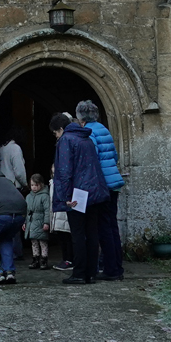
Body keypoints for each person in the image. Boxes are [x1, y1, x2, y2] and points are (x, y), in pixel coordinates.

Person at [49, 111, 109, 285]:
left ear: (61, 129)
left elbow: (64, 171)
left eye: (55, 133)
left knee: (77, 234)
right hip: (94, 192)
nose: (56, 136)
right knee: (91, 233)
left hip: (77, 194)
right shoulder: (86, 138)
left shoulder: (67, 140)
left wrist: (65, 197)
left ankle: (79, 273)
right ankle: (90, 272)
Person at [76, 100, 126, 280]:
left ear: (80, 117)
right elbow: (114, 155)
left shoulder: (89, 132)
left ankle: (111, 269)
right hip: (113, 183)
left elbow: (92, 159)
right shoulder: (104, 129)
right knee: (112, 225)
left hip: (101, 184)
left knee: (102, 227)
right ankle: (117, 267)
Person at [23, 173, 51, 269]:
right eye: (32, 185)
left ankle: (44, 260)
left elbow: (47, 210)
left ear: (41, 184)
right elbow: (26, 211)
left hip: (40, 222)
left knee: (43, 242)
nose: (34, 187)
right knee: (34, 242)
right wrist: (25, 222)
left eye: (36, 185)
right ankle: (35, 259)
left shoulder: (45, 196)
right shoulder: (29, 197)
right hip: (31, 222)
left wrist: (46, 222)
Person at [0, 129, 28, 194]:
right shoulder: (15, 148)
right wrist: (25, 184)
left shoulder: (1, 149)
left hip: (1, 185)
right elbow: (19, 172)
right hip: (13, 186)